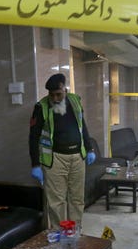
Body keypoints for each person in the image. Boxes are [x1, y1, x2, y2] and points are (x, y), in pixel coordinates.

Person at [28, 73, 97, 229]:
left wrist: (89, 148)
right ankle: (60, 234)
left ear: (65, 89)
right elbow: (33, 137)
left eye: (58, 94)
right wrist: (35, 164)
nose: (55, 98)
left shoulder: (75, 101)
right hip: (54, 160)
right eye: (52, 95)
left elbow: (82, 126)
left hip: (78, 157)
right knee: (56, 201)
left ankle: (75, 231)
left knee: (77, 198)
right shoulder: (41, 107)